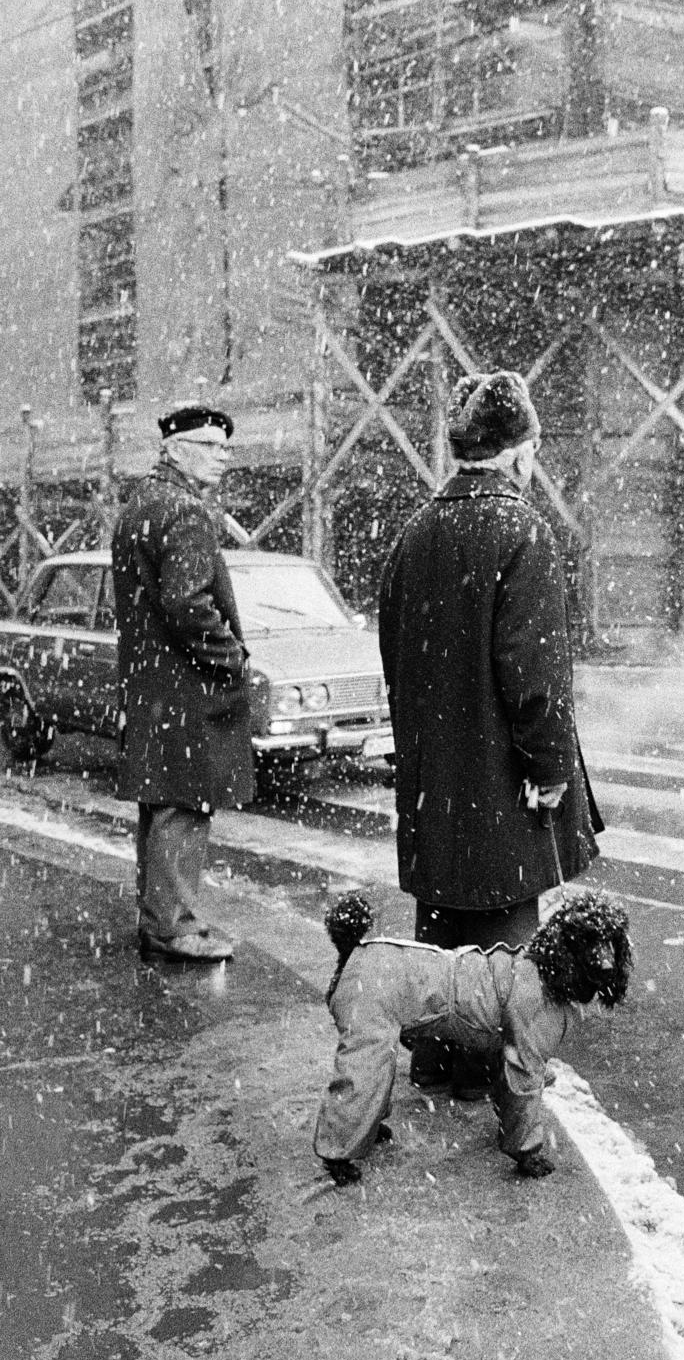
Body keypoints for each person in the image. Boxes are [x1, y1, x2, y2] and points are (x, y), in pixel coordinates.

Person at [377, 370, 603, 1098]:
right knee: (505, 932)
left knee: (441, 920)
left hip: (433, 774)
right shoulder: (522, 532)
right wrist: (549, 769)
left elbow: (393, 651)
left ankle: (438, 1057)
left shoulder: (416, 532)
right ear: (517, 452)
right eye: (532, 448)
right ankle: (490, 1072)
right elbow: (535, 677)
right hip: (501, 774)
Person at [313, 888, 632, 1186]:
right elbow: (522, 1074)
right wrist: (528, 1150)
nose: (604, 958)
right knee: (366, 1062)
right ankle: (338, 1149)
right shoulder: (537, 997)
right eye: (591, 943)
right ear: (567, 948)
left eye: (609, 945)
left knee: (374, 1060)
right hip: (375, 984)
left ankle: (361, 1124)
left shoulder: (541, 986)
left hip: (381, 973)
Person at [111, 404, 254, 962]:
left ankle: (159, 920)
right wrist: (233, 657)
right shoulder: (186, 512)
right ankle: (173, 928)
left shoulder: (141, 506)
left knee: (160, 805)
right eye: (209, 446)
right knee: (184, 807)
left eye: (226, 448)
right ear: (172, 449)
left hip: (153, 686)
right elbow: (187, 604)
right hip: (189, 691)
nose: (222, 456)